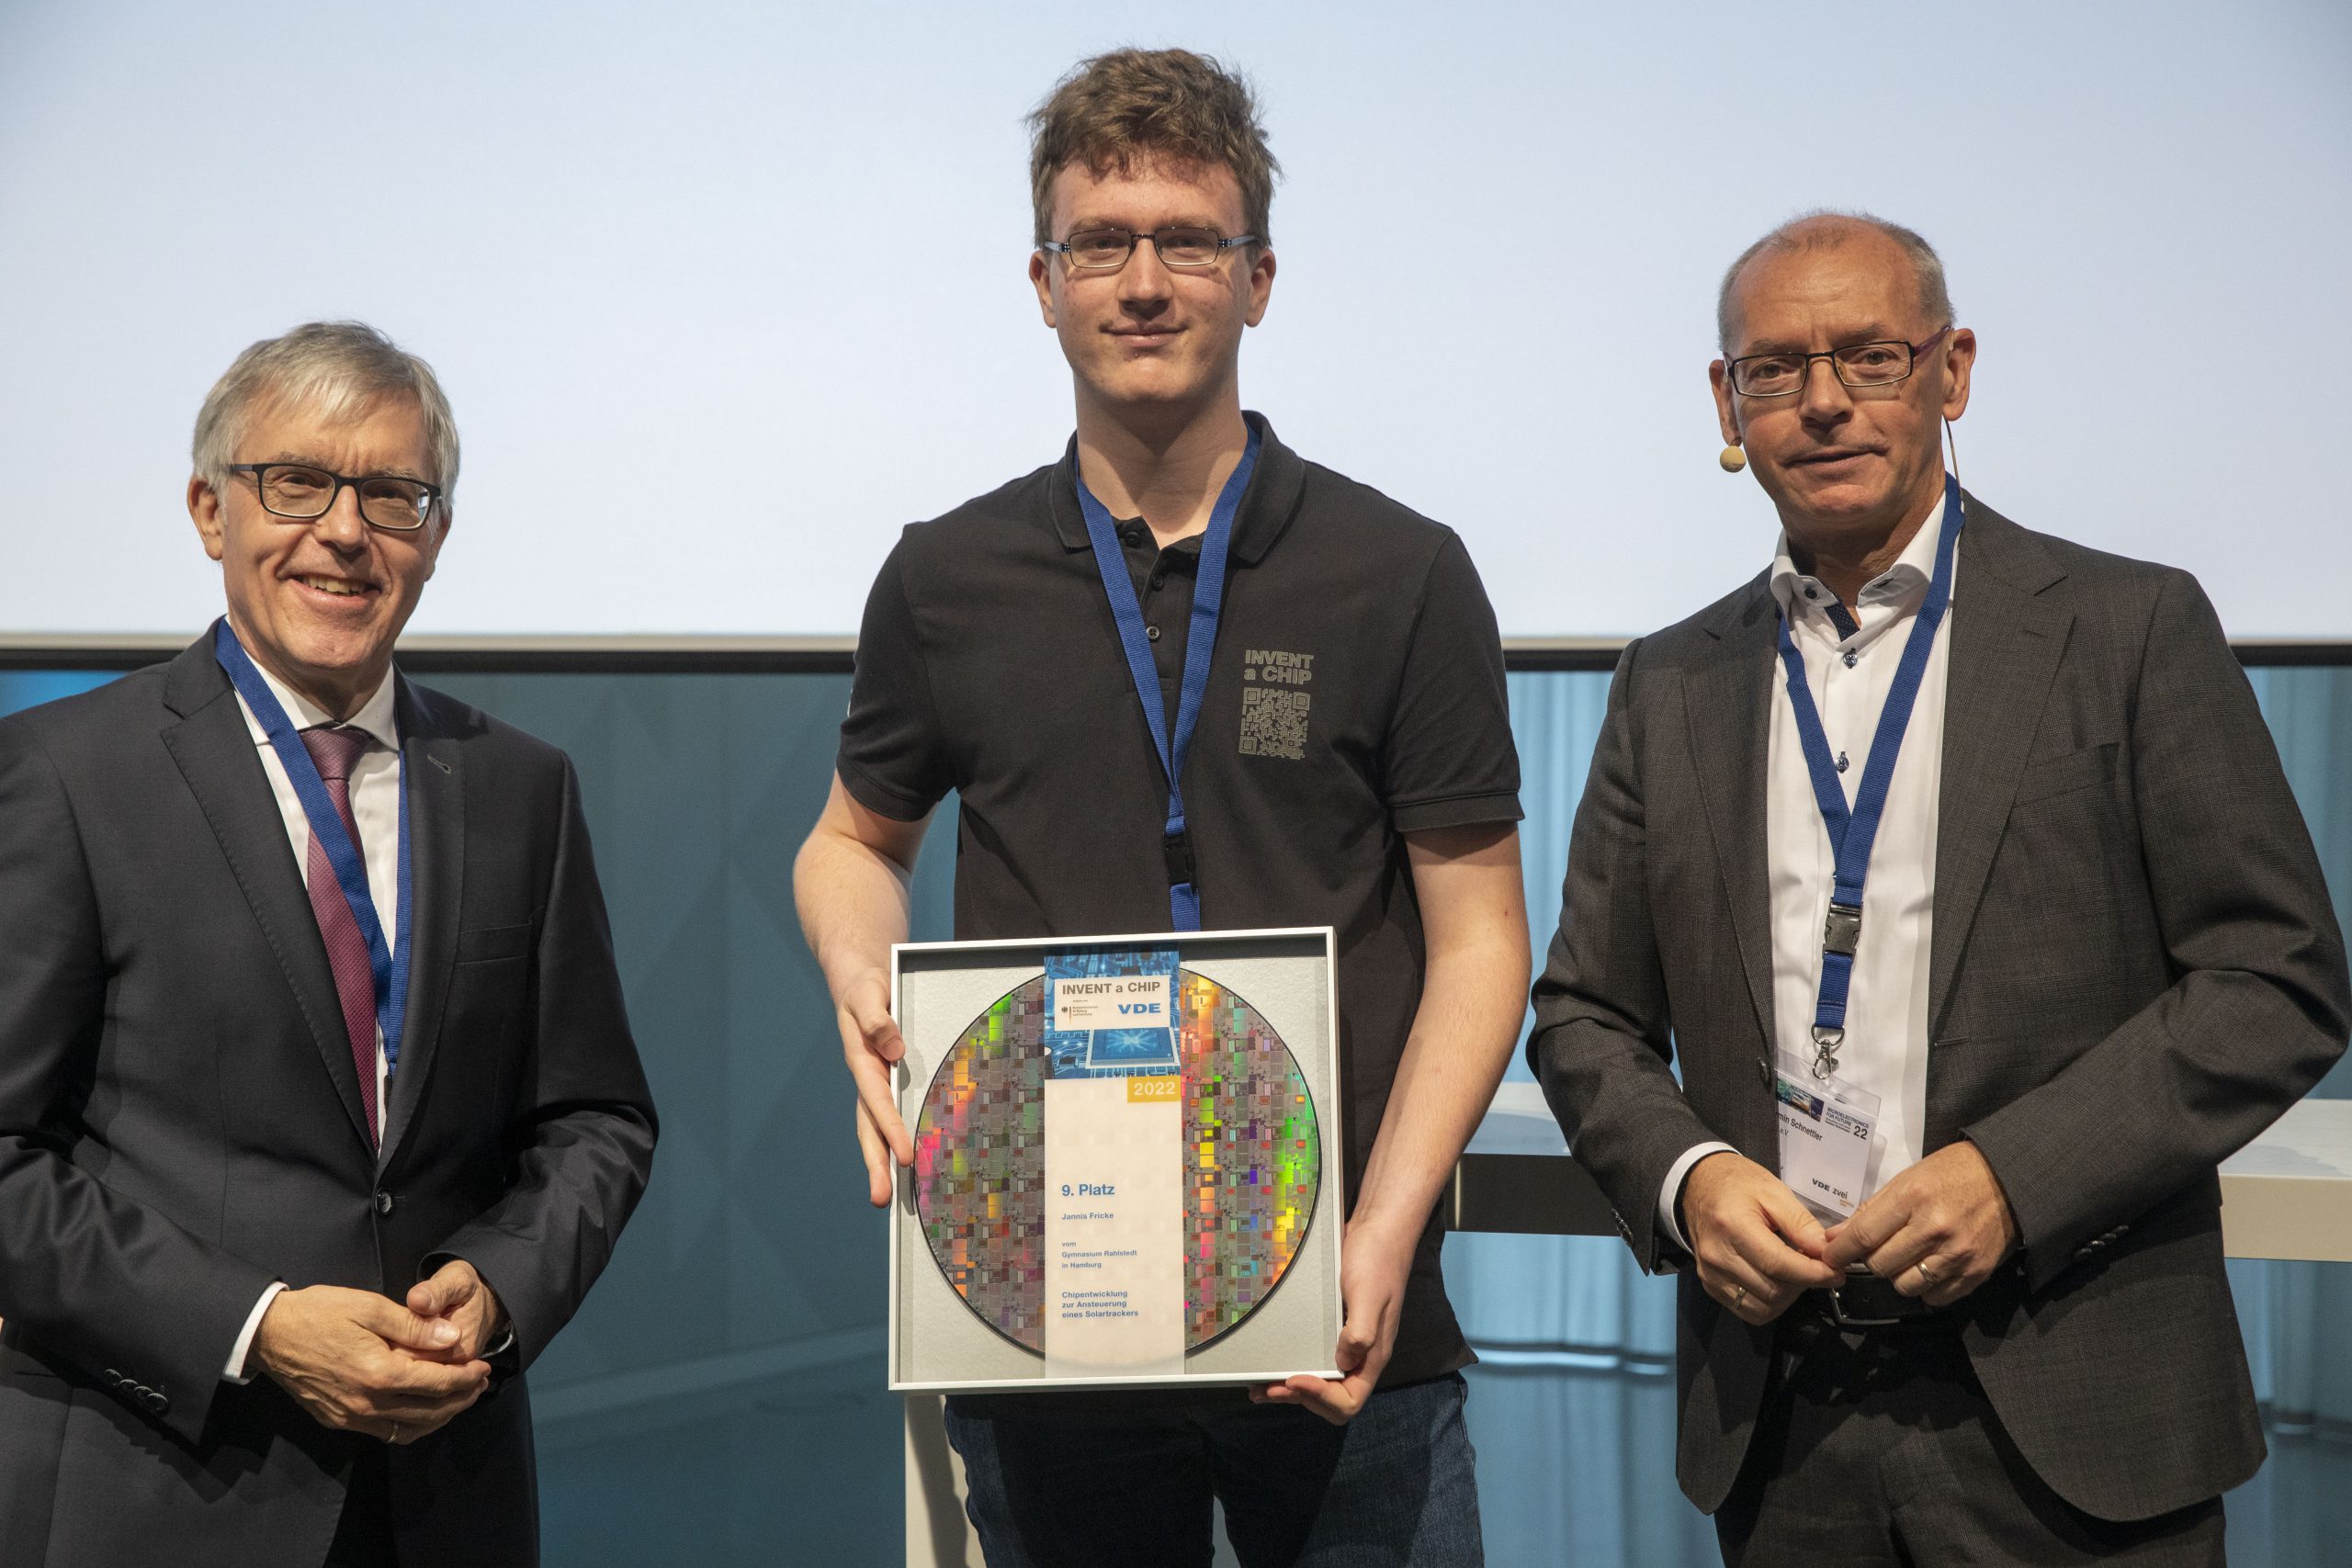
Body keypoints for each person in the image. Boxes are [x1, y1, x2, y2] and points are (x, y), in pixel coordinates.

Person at [1528, 212, 2350, 1565]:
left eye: (1871, 356)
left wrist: (2018, 1178)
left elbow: (2276, 980)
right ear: (1727, 404)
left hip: (2077, 1398)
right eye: (1777, 369)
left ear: (1952, 371)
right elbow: (1584, 1015)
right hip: (1786, 1413)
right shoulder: (1667, 682)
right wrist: (1688, 1179)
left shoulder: (2127, 630)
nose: (1824, 401)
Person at [795, 48, 1527, 1567]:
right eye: (1101, 244)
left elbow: (1480, 941)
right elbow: (852, 843)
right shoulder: (945, 577)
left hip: (1342, 1307)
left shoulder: (1400, 572)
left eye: (1189, 241)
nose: (1143, 283)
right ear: (1044, 283)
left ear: (1258, 279)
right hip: (1046, 1306)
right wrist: (865, 985)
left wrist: (1383, 1234)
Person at [0, 321, 659, 1567]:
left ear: (437, 535)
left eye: (394, 494)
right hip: (159, 1496)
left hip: (445, 1502)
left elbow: (596, 1118)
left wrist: (499, 1287)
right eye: (296, 482)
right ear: (211, 511)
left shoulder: (521, 787)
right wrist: (256, 1324)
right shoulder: (66, 776)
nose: (346, 532)